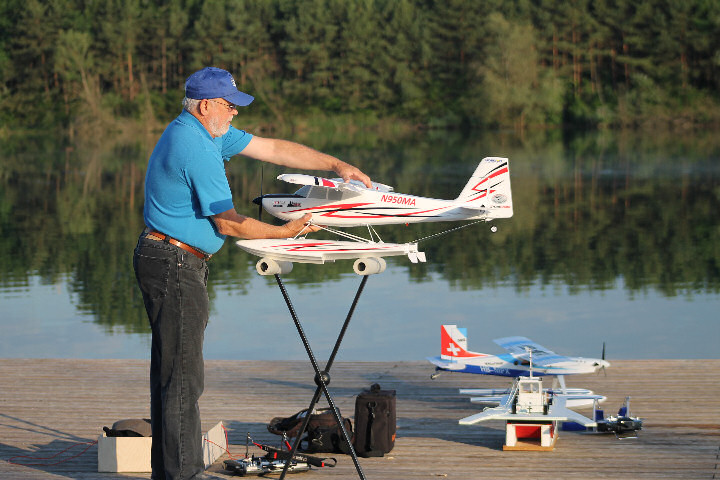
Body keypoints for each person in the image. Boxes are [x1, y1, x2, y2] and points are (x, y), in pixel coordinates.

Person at [133, 66, 371, 480]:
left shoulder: (203, 131)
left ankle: (170, 473)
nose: (234, 114)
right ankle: (182, 475)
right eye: (229, 106)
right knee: (183, 380)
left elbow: (275, 149)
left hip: (169, 260)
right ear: (206, 105)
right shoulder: (196, 146)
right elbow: (228, 222)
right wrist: (286, 231)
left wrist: (338, 165)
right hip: (172, 265)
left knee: (174, 376)